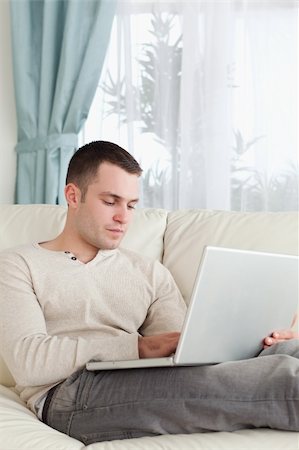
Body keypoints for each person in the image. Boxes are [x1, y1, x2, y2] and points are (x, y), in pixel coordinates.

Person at [0, 140, 298, 444]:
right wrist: (139, 348)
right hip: (71, 394)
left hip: (140, 376)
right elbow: (29, 361)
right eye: (110, 201)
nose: (124, 217)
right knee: (281, 381)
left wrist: (258, 342)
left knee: (288, 353)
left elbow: (186, 351)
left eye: (130, 205)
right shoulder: (18, 264)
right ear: (73, 195)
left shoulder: (148, 272)